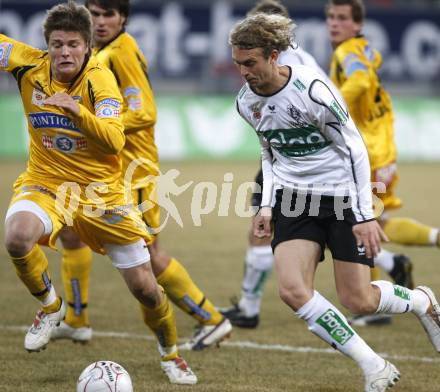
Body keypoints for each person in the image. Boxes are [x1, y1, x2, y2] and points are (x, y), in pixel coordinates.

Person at [229, 12, 440, 391]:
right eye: (238, 63)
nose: (243, 72)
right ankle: (374, 365)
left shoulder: (312, 90)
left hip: (341, 196)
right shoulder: (246, 103)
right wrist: (265, 205)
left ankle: (422, 301)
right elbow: (269, 153)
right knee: (293, 290)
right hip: (293, 201)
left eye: (250, 63)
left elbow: (355, 147)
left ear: (274, 56)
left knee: (358, 300)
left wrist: (362, 214)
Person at [1, 1, 196, 384]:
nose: (64, 53)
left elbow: (113, 139)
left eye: (73, 44)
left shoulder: (100, 80)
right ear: (47, 45)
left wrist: (76, 111)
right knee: (17, 236)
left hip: (101, 195)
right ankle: (51, 306)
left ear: (88, 46)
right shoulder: (28, 62)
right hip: (47, 181)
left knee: (145, 288)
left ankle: (171, 355)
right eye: (57, 44)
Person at [50, 0, 232, 351]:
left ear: (123, 18)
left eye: (109, 15)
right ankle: (76, 320)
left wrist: (102, 125)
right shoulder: (99, 52)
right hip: (106, 169)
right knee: (71, 233)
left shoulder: (121, 51)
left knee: (146, 254)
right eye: (94, 14)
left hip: (135, 171)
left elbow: (145, 111)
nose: (100, 22)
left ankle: (211, 318)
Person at [221, 0, 412, 330]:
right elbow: (268, 143)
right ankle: (389, 262)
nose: (245, 68)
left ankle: (250, 306)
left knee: (349, 282)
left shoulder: (303, 70)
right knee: (291, 242)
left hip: (324, 163)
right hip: (294, 161)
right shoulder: (261, 84)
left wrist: (334, 112)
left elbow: (335, 105)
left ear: (272, 47)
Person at [326, 0, 439, 325]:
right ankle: (416, 251)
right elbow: (371, 66)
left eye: (342, 18)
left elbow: (360, 82)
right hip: (384, 149)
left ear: (356, 24)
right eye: (331, 17)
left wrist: (329, 106)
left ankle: (372, 301)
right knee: (373, 221)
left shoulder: (347, 51)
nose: (335, 23)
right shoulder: (363, 48)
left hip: (367, 154)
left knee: (358, 223)